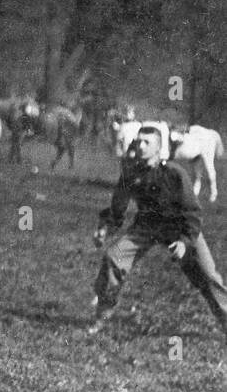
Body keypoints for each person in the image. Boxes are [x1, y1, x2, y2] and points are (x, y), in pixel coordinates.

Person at [90, 125, 227, 340]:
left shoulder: (174, 173)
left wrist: (185, 242)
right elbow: (118, 208)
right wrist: (105, 228)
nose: (141, 146)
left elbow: (192, 212)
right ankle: (103, 315)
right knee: (113, 258)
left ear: (159, 148)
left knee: (209, 277)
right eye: (139, 141)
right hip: (146, 227)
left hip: (179, 228)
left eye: (147, 143)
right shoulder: (130, 173)